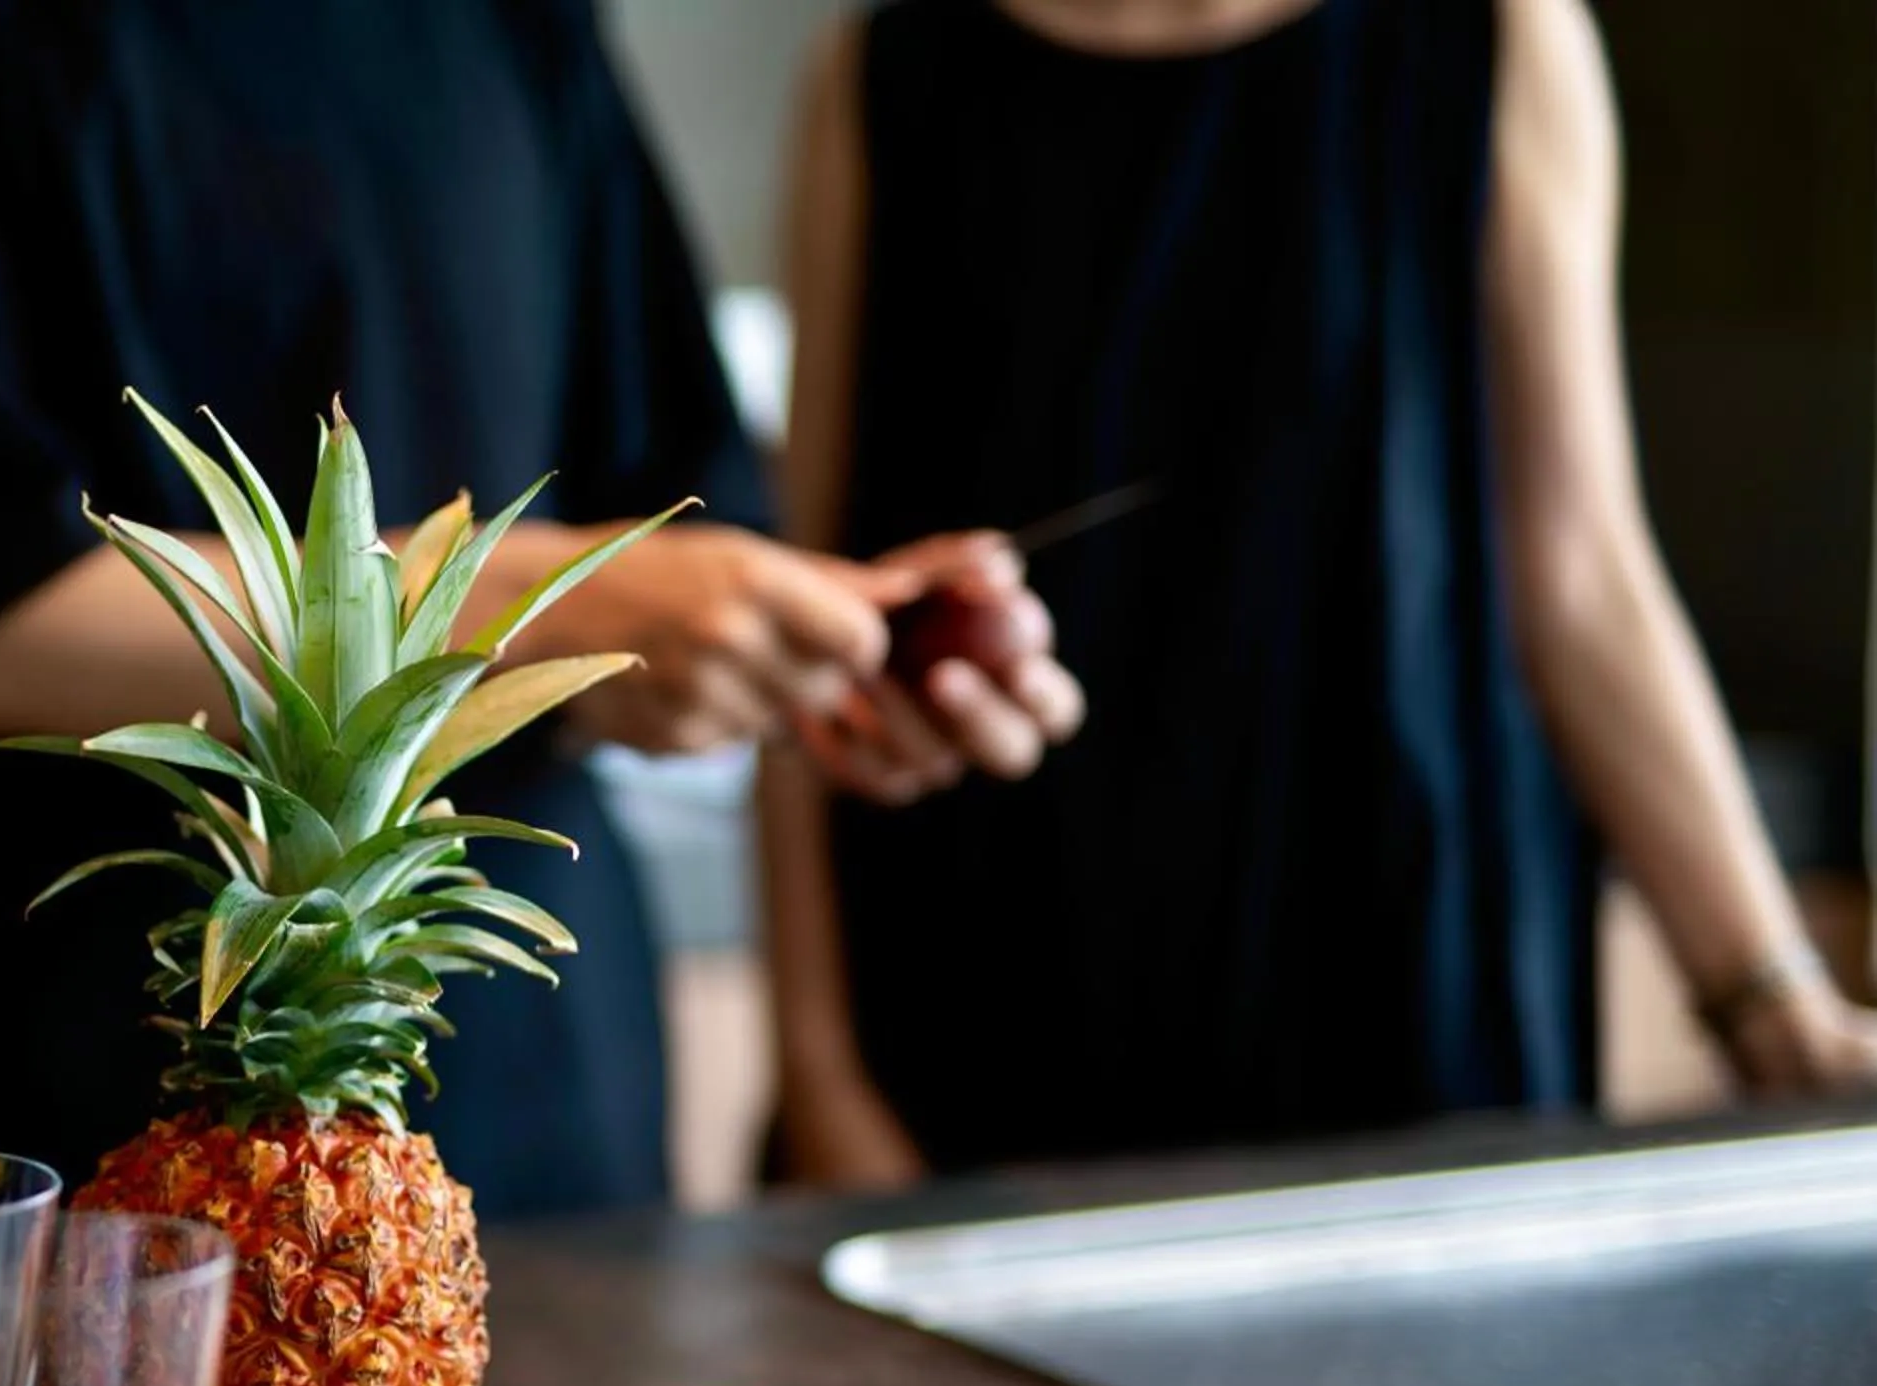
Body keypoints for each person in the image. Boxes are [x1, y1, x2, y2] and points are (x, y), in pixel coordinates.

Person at [0, 0, 1078, 1215]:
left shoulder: (516, 23)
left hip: (547, 1116)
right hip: (78, 1134)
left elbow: (674, 508)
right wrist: (533, 615)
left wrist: (839, 649)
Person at [762, 0, 1877, 1187]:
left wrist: (1771, 1001)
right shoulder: (888, 69)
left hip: (1410, 974)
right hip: (988, 998)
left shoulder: (1493, 37)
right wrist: (821, 1068)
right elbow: (808, 599)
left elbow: (1585, 581)